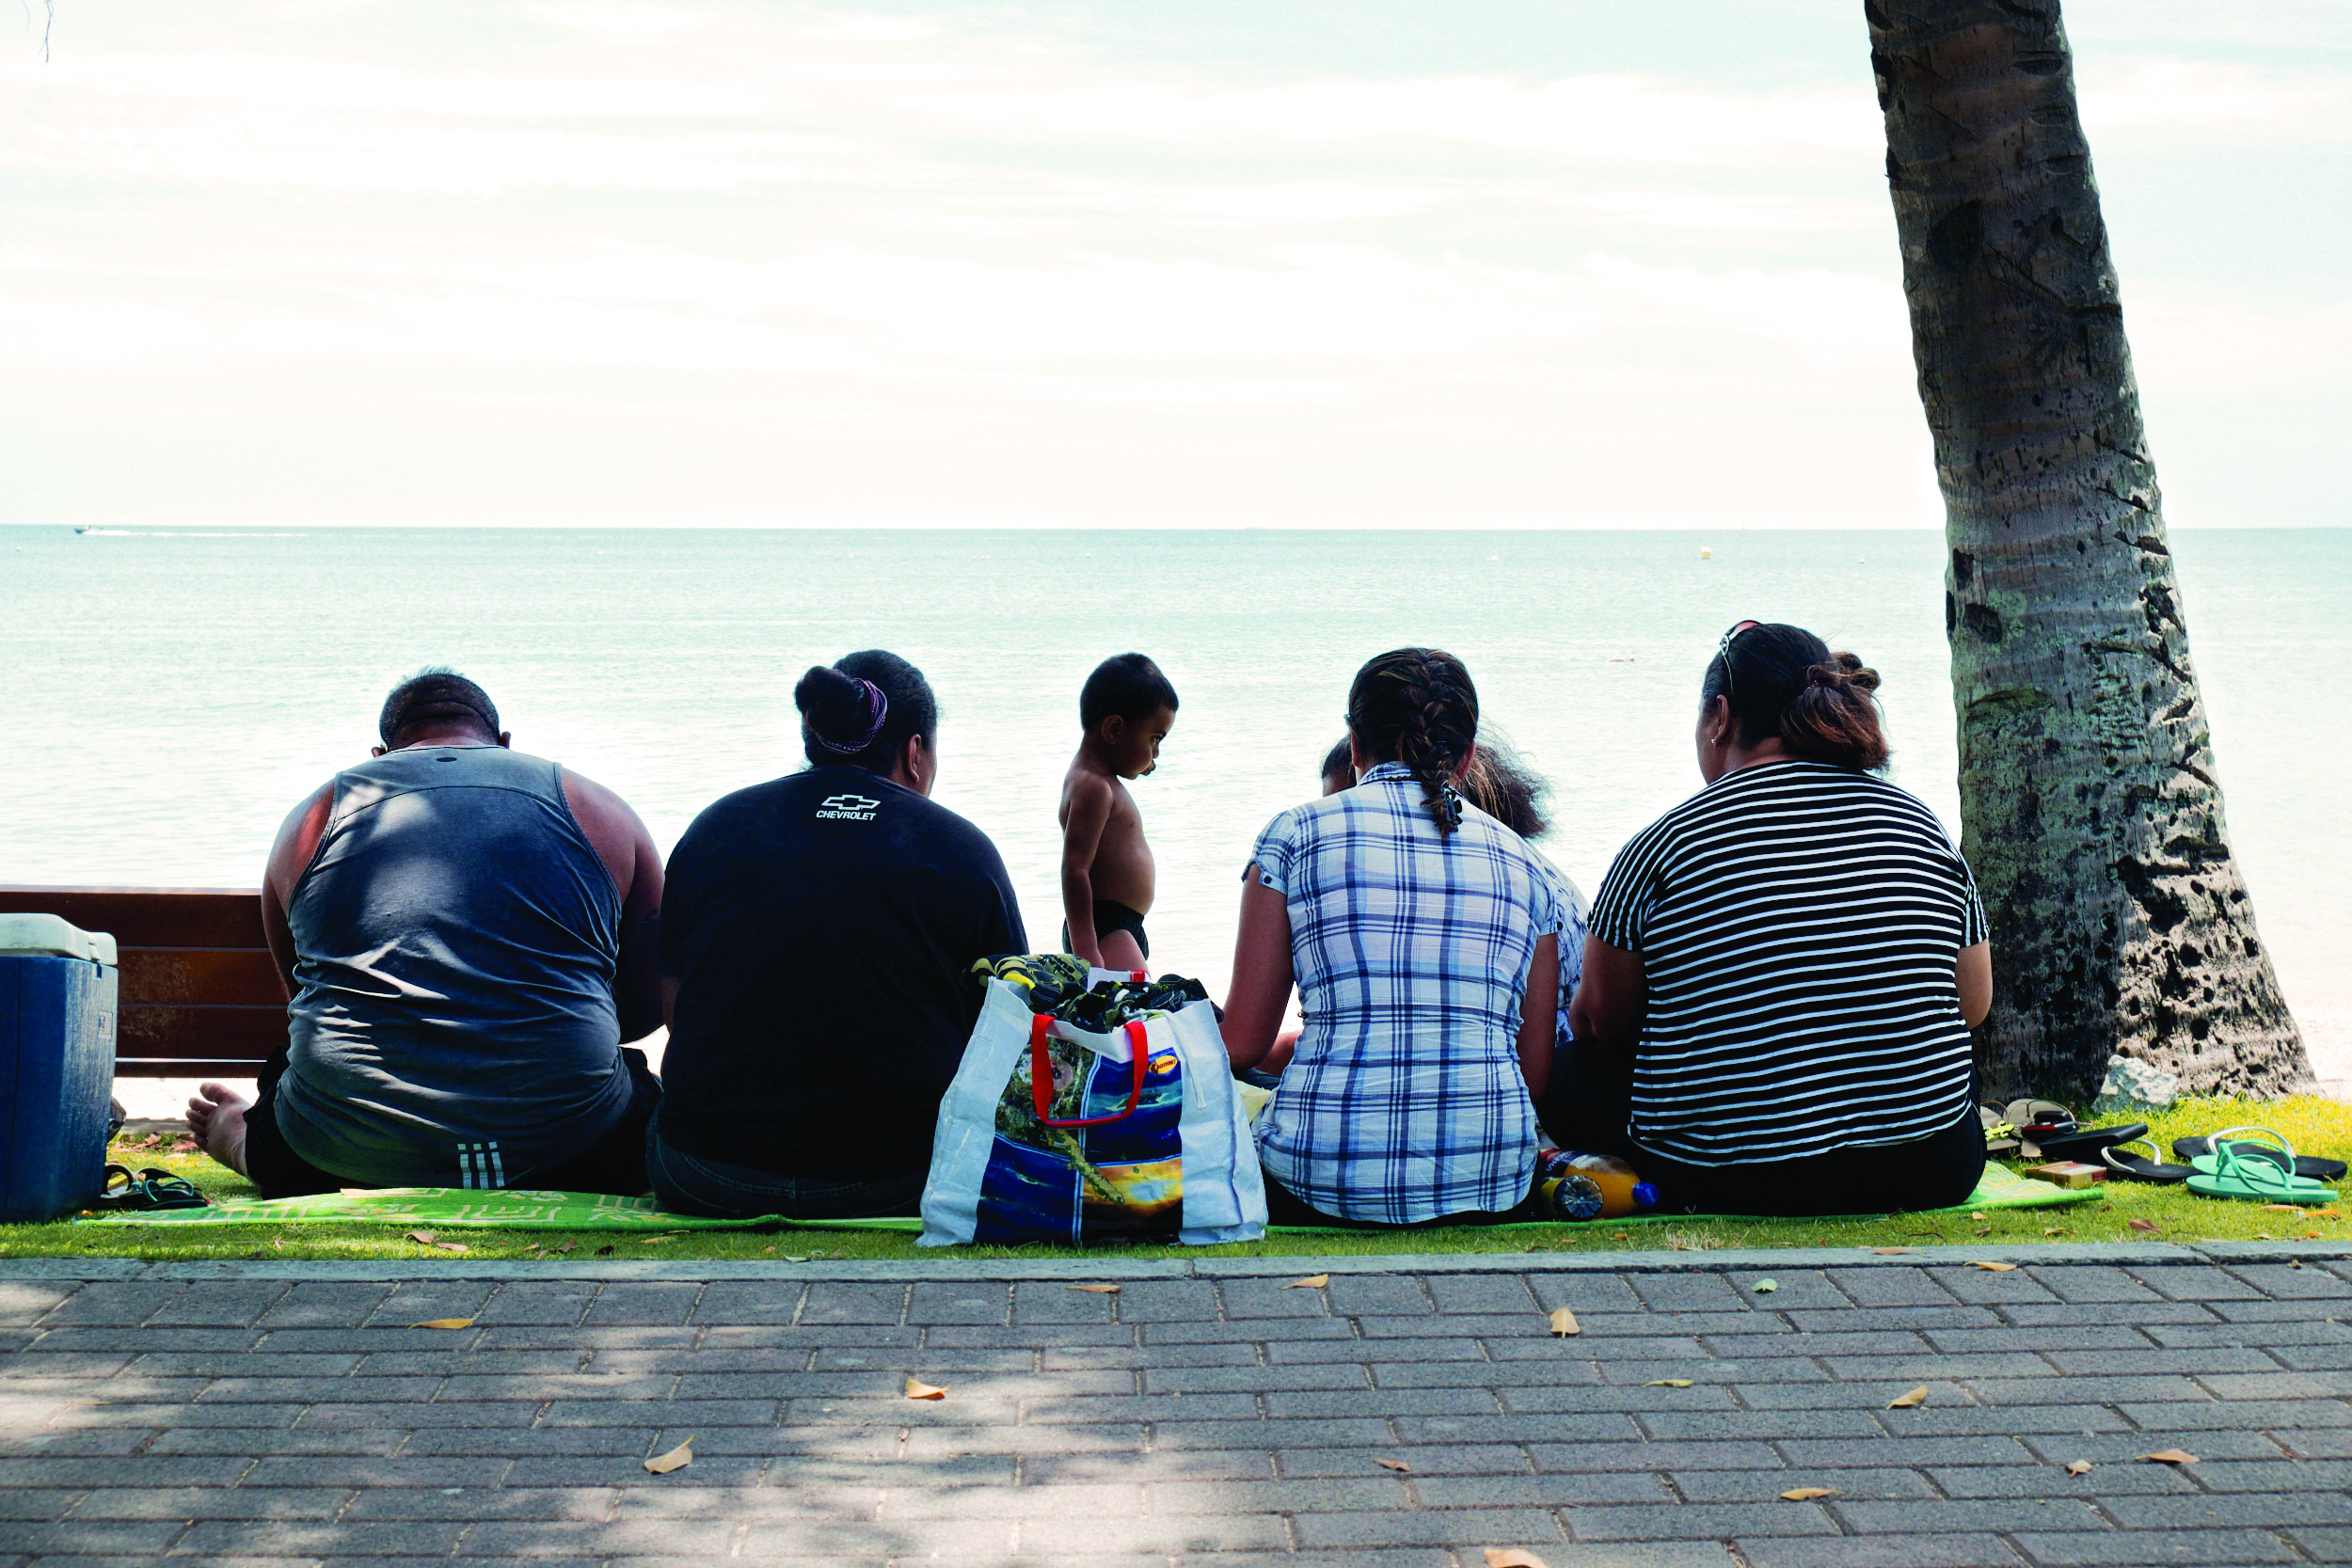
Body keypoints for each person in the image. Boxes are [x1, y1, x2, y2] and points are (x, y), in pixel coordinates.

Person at [1539, 621, 1993, 1215]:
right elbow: (1972, 1005)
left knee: (1570, 1070)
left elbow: (1601, 1025)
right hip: (1930, 1166)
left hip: (1725, 1177)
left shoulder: (1667, 843)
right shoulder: (1920, 827)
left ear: (1720, 717)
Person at [185, 669, 664, 1196]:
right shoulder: (597, 806)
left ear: (380, 754)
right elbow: (646, 1006)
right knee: (636, 1092)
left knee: (294, 1088)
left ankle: (244, 1141)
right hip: (577, 1145)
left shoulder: (311, 820)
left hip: (340, 1153)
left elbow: (304, 994)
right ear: (503, 743)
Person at [648, 651, 1026, 1219]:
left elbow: (678, 1009)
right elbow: (1007, 1027)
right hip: (904, 1175)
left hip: (707, 1174)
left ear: (813, 735)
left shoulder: (715, 828)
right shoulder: (961, 849)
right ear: (916, 753)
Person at [1221, 648, 1564, 1227]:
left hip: (1321, 1175)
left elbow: (1243, 1045)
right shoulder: (1527, 867)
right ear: (1470, 755)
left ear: (1354, 745)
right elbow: (1531, 1075)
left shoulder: (1294, 835)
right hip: (1492, 1175)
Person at [1060, 654, 1178, 970]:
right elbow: (1075, 870)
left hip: (1119, 925)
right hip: (1104, 927)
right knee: (1134, 1007)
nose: (1155, 753)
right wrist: (1086, 948)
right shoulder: (1094, 787)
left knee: (1128, 1007)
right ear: (1113, 730)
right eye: (1154, 738)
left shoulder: (1098, 782)